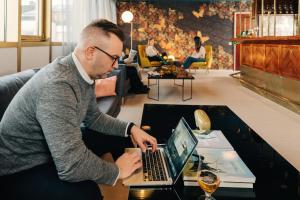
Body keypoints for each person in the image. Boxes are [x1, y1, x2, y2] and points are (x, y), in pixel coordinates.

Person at [0, 19, 157, 200]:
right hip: (21, 168)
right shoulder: (58, 86)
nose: (116, 66)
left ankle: (138, 181)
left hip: (51, 148)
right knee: (87, 193)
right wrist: (116, 171)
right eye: (113, 58)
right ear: (90, 51)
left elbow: (94, 118)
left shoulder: (80, 72)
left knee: (121, 136)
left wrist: (131, 128)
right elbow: (70, 166)